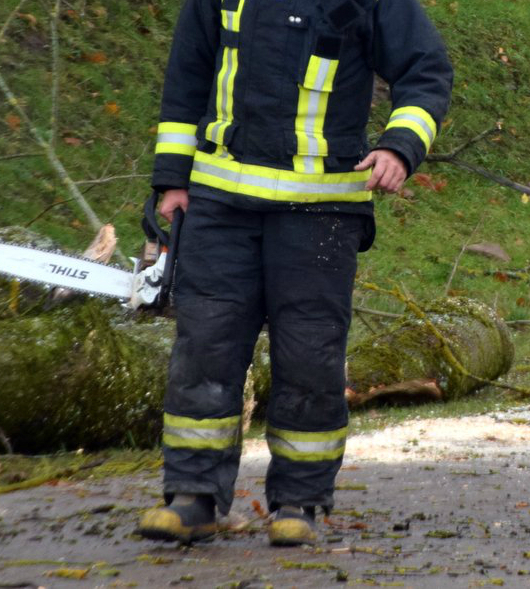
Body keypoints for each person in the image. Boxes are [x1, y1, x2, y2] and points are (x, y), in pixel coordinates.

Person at [136, 0, 453, 545]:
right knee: (204, 346)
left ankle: (298, 503)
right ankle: (193, 496)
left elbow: (426, 70)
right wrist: (172, 180)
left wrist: (399, 148)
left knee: (310, 356)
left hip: (321, 213)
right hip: (220, 204)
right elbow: (187, 75)